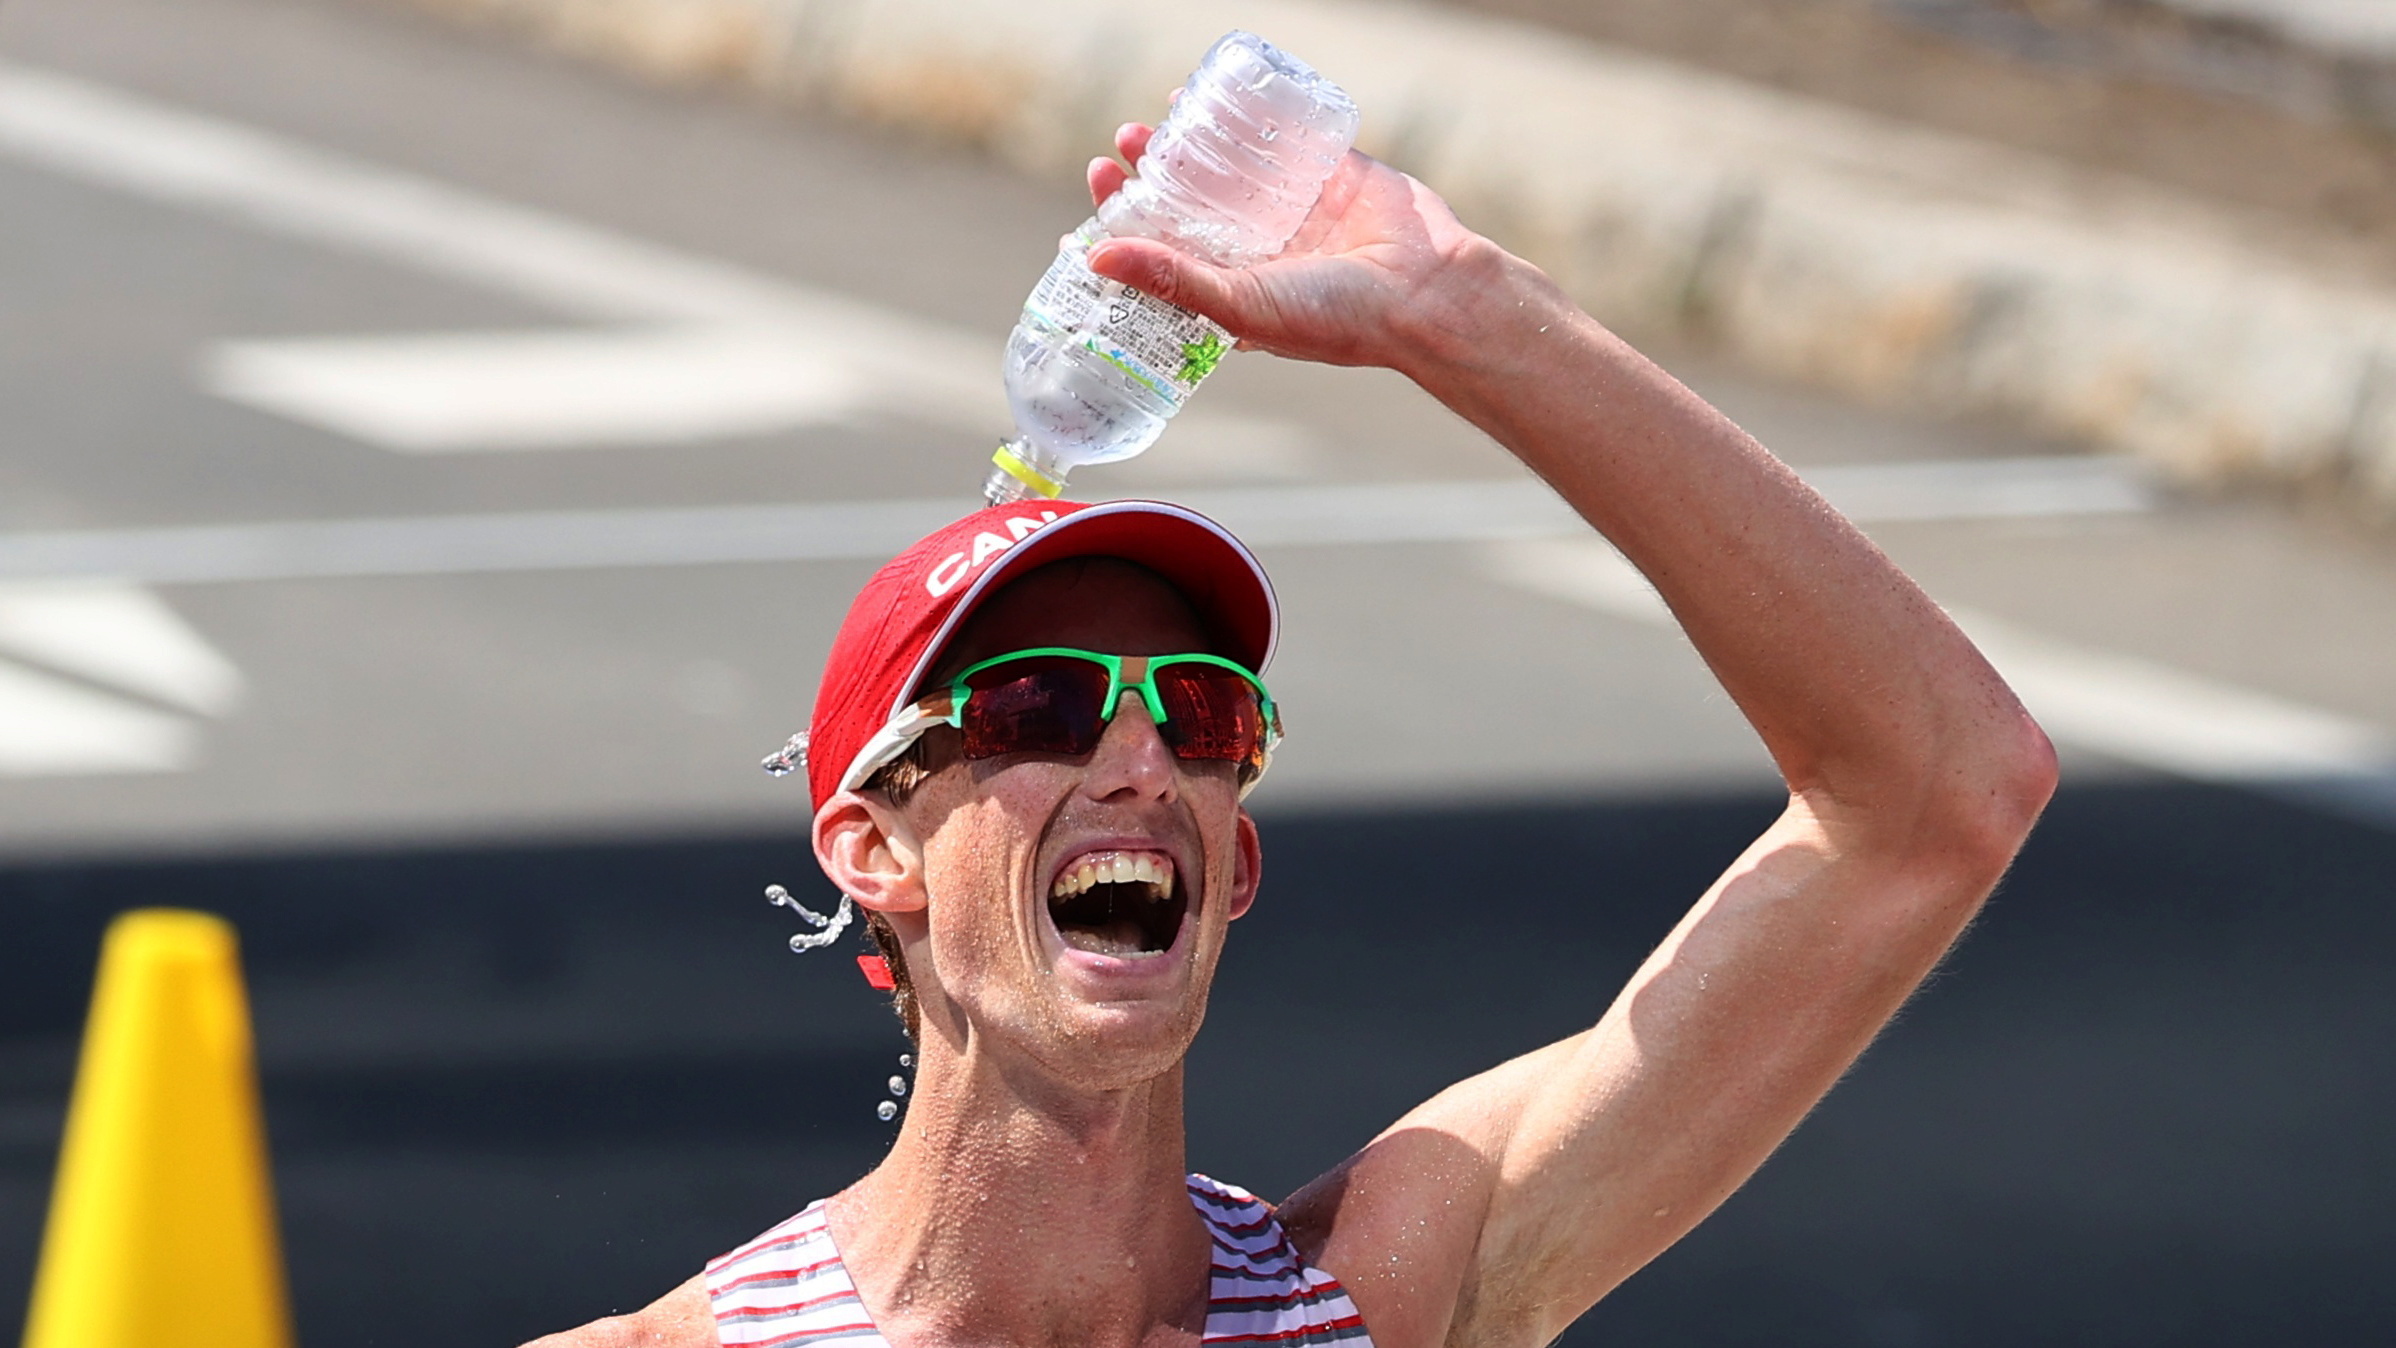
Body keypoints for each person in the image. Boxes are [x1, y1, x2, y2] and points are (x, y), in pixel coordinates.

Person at [533, 115, 2057, 1348]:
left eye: (1198, 715)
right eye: (1036, 706)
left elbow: (1934, 798)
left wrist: (1468, 314)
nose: (1139, 758)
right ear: (875, 849)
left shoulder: (1389, 1294)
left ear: (1235, 863)